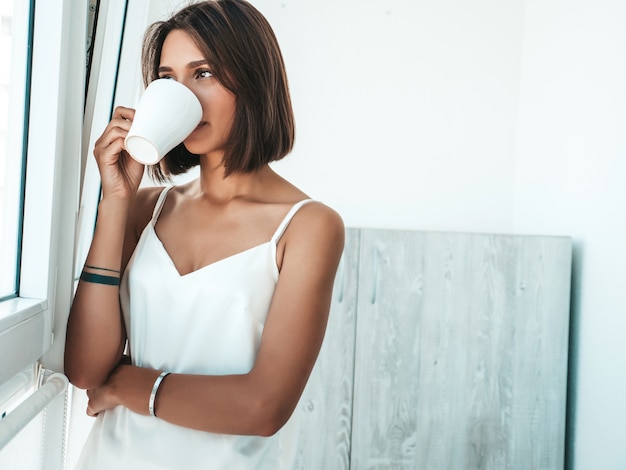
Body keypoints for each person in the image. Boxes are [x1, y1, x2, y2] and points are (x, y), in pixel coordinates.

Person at [63, 0, 344, 468]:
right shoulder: (142, 209)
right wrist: (114, 202)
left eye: (204, 73)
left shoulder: (308, 225)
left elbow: (263, 407)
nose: (184, 96)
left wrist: (126, 385)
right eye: (168, 80)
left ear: (252, 81)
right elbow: (85, 369)